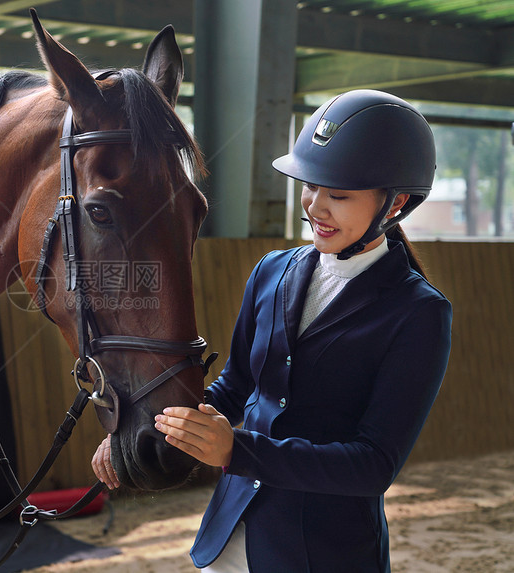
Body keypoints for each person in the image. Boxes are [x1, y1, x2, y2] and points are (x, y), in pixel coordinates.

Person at [91, 89, 453, 572]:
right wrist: (142, 432)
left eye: (338, 195)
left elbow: (373, 465)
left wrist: (237, 450)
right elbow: (236, 386)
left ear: (395, 203)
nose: (316, 208)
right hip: (229, 536)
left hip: (322, 554)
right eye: (310, 187)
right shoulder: (272, 271)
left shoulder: (419, 313)